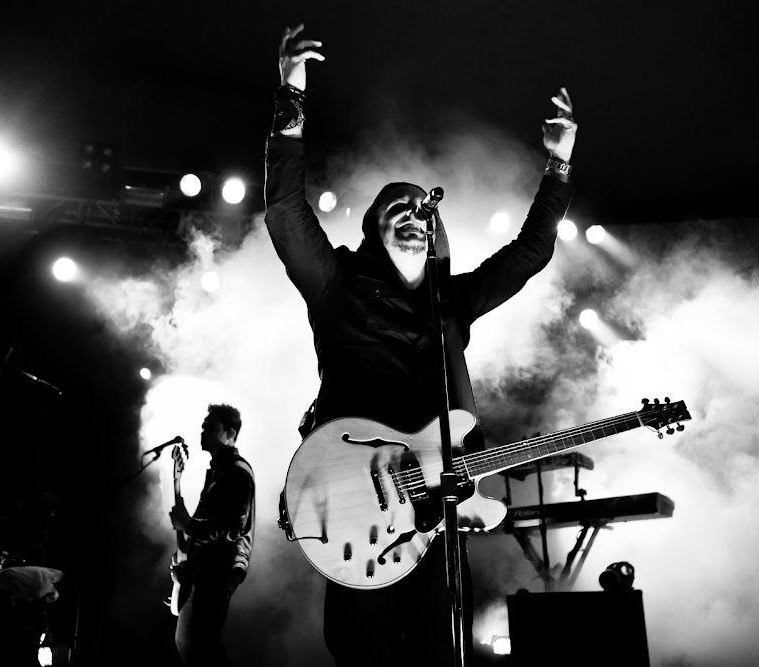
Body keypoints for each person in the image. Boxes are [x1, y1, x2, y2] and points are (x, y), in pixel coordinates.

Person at [264, 23, 578, 667]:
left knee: (441, 648)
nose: (414, 215)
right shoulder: (336, 284)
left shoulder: (452, 302)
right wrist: (291, 93)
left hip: (434, 511)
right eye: (397, 209)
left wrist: (559, 166)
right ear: (373, 228)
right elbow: (284, 211)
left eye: (422, 210)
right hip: (357, 499)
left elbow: (529, 252)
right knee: (366, 652)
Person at [169, 404, 256, 667]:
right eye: (203, 426)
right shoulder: (219, 471)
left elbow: (233, 528)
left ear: (230, 433)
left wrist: (189, 526)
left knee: (198, 647)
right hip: (203, 571)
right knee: (192, 645)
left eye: (209, 427)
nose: (202, 431)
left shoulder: (237, 473)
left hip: (215, 574)